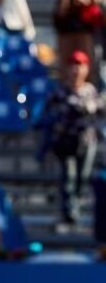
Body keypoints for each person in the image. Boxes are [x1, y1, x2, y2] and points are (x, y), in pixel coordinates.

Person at [42, 50, 103, 233]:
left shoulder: (90, 90)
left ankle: (77, 214)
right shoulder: (59, 91)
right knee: (68, 179)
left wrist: (90, 107)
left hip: (86, 140)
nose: (76, 70)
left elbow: (99, 110)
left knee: (82, 179)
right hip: (65, 142)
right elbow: (48, 112)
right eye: (73, 65)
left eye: (80, 65)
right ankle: (69, 216)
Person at [52, 0, 101, 79]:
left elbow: (95, 22)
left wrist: (85, 4)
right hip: (67, 38)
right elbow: (57, 22)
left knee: (85, 66)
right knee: (66, 67)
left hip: (84, 39)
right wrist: (65, 3)